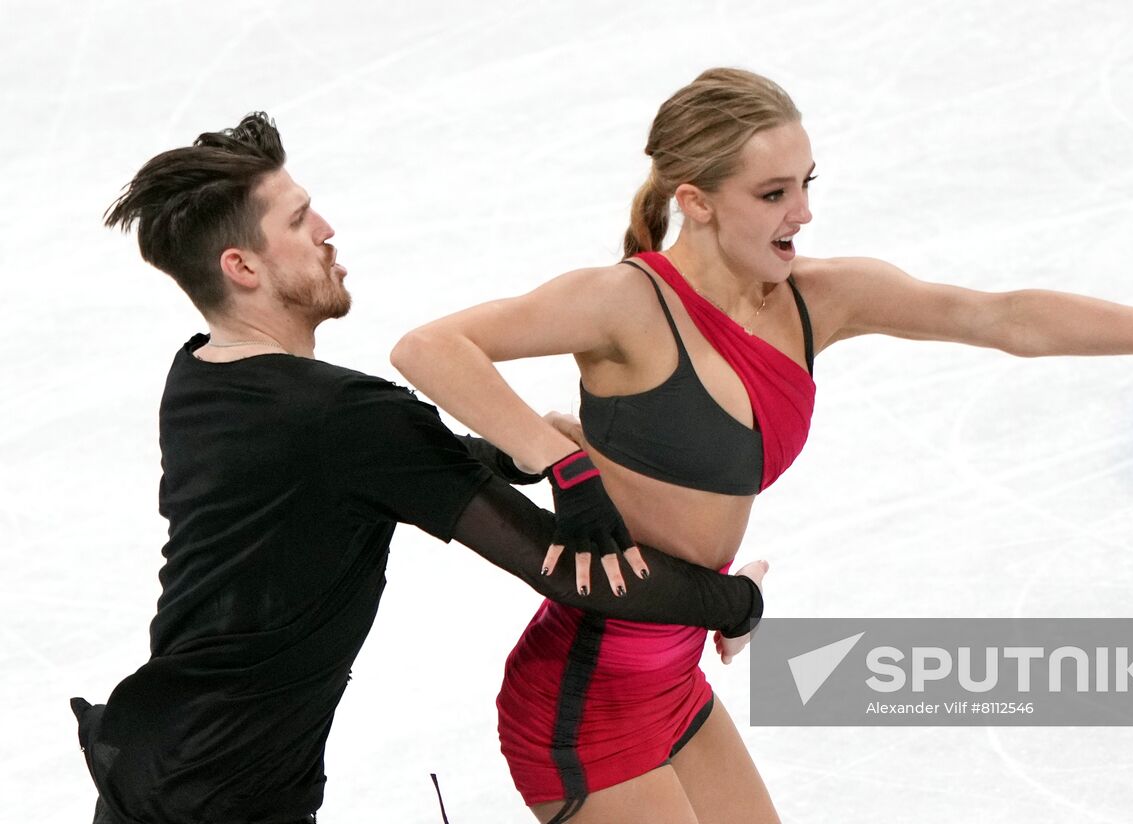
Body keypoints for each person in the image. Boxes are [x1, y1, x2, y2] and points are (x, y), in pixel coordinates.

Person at [391, 68, 1133, 823]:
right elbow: (429, 347)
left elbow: (1000, 318)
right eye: (773, 194)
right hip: (584, 696)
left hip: (672, 681)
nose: (802, 214)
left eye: (806, 186)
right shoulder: (626, 303)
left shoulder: (815, 300)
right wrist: (567, 464)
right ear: (696, 203)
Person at [70, 112, 769, 824]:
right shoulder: (344, 417)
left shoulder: (201, 377)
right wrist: (734, 603)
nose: (327, 230)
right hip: (219, 803)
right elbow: (566, 566)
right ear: (242, 267)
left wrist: (504, 456)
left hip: (154, 770)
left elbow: (346, 472)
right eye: (299, 220)